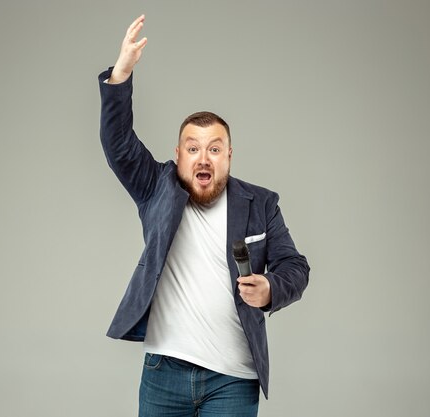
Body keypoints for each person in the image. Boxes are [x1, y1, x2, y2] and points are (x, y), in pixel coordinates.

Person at [98, 15, 310, 417]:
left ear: (229, 156)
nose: (203, 157)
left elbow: (295, 267)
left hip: (233, 378)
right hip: (163, 371)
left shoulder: (260, 204)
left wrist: (269, 287)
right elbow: (118, 143)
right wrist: (121, 74)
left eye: (214, 148)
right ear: (178, 157)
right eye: (192, 148)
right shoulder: (156, 187)